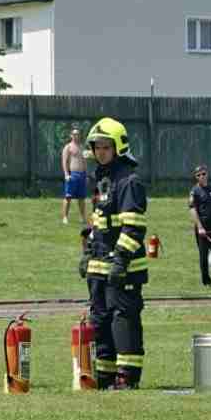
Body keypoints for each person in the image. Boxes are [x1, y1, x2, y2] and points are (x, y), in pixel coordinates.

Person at [79, 118, 148, 389]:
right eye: (97, 147)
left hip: (124, 267)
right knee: (100, 319)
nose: (101, 152)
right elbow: (99, 223)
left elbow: (133, 226)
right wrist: (88, 253)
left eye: (106, 147)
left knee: (123, 318)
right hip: (100, 266)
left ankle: (127, 376)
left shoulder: (129, 181)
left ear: (119, 147)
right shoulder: (103, 179)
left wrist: (120, 260)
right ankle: (105, 373)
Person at [60, 127, 90, 225]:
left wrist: (86, 175)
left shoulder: (82, 147)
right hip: (72, 175)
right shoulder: (68, 147)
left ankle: (82, 218)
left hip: (82, 175)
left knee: (82, 198)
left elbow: (85, 162)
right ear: (71, 135)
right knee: (68, 197)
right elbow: (64, 162)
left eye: (78, 134)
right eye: (74, 134)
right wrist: (66, 174)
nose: (76, 136)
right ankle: (65, 218)